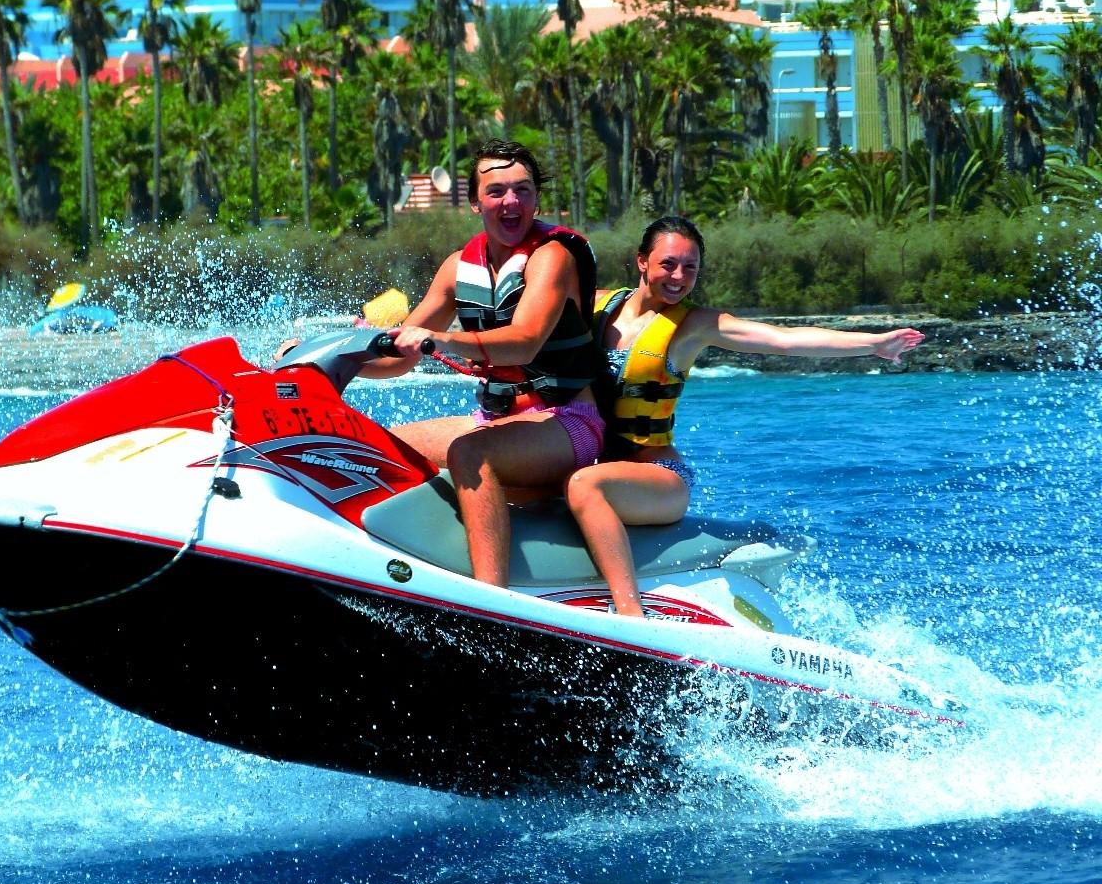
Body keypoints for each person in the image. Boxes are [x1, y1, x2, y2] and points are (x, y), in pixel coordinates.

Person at [569, 215, 925, 617]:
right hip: (595, 458)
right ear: (641, 262)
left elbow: (783, 340)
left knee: (585, 485)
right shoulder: (594, 305)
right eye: (668, 263)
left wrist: (874, 344)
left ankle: (630, 614)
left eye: (691, 268)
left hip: (658, 476)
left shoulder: (695, 325)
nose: (679, 276)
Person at [365, 140, 609, 589]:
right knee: (373, 445)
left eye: (523, 190)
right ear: (476, 203)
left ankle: (491, 599)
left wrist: (441, 339)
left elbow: (524, 342)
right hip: (497, 420)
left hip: (568, 422)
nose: (511, 201)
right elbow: (396, 358)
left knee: (469, 451)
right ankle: (388, 564)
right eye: (497, 191)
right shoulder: (458, 267)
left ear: (536, 199)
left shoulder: (551, 258)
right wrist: (337, 356)